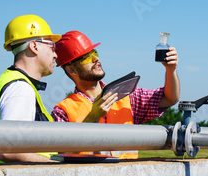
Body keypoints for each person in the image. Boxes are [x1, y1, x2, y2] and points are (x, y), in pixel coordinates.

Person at [51, 30, 180, 159]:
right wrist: (92, 118)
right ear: (71, 69)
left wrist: (171, 70)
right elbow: (64, 153)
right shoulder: (62, 111)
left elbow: (169, 98)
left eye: (94, 52)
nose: (96, 59)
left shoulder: (126, 95)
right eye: (87, 57)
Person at [0, 15, 61, 164]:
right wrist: (55, 166)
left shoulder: (10, 81)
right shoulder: (20, 89)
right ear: (34, 46)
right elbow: (7, 150)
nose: (55, 55)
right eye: (52, 47)